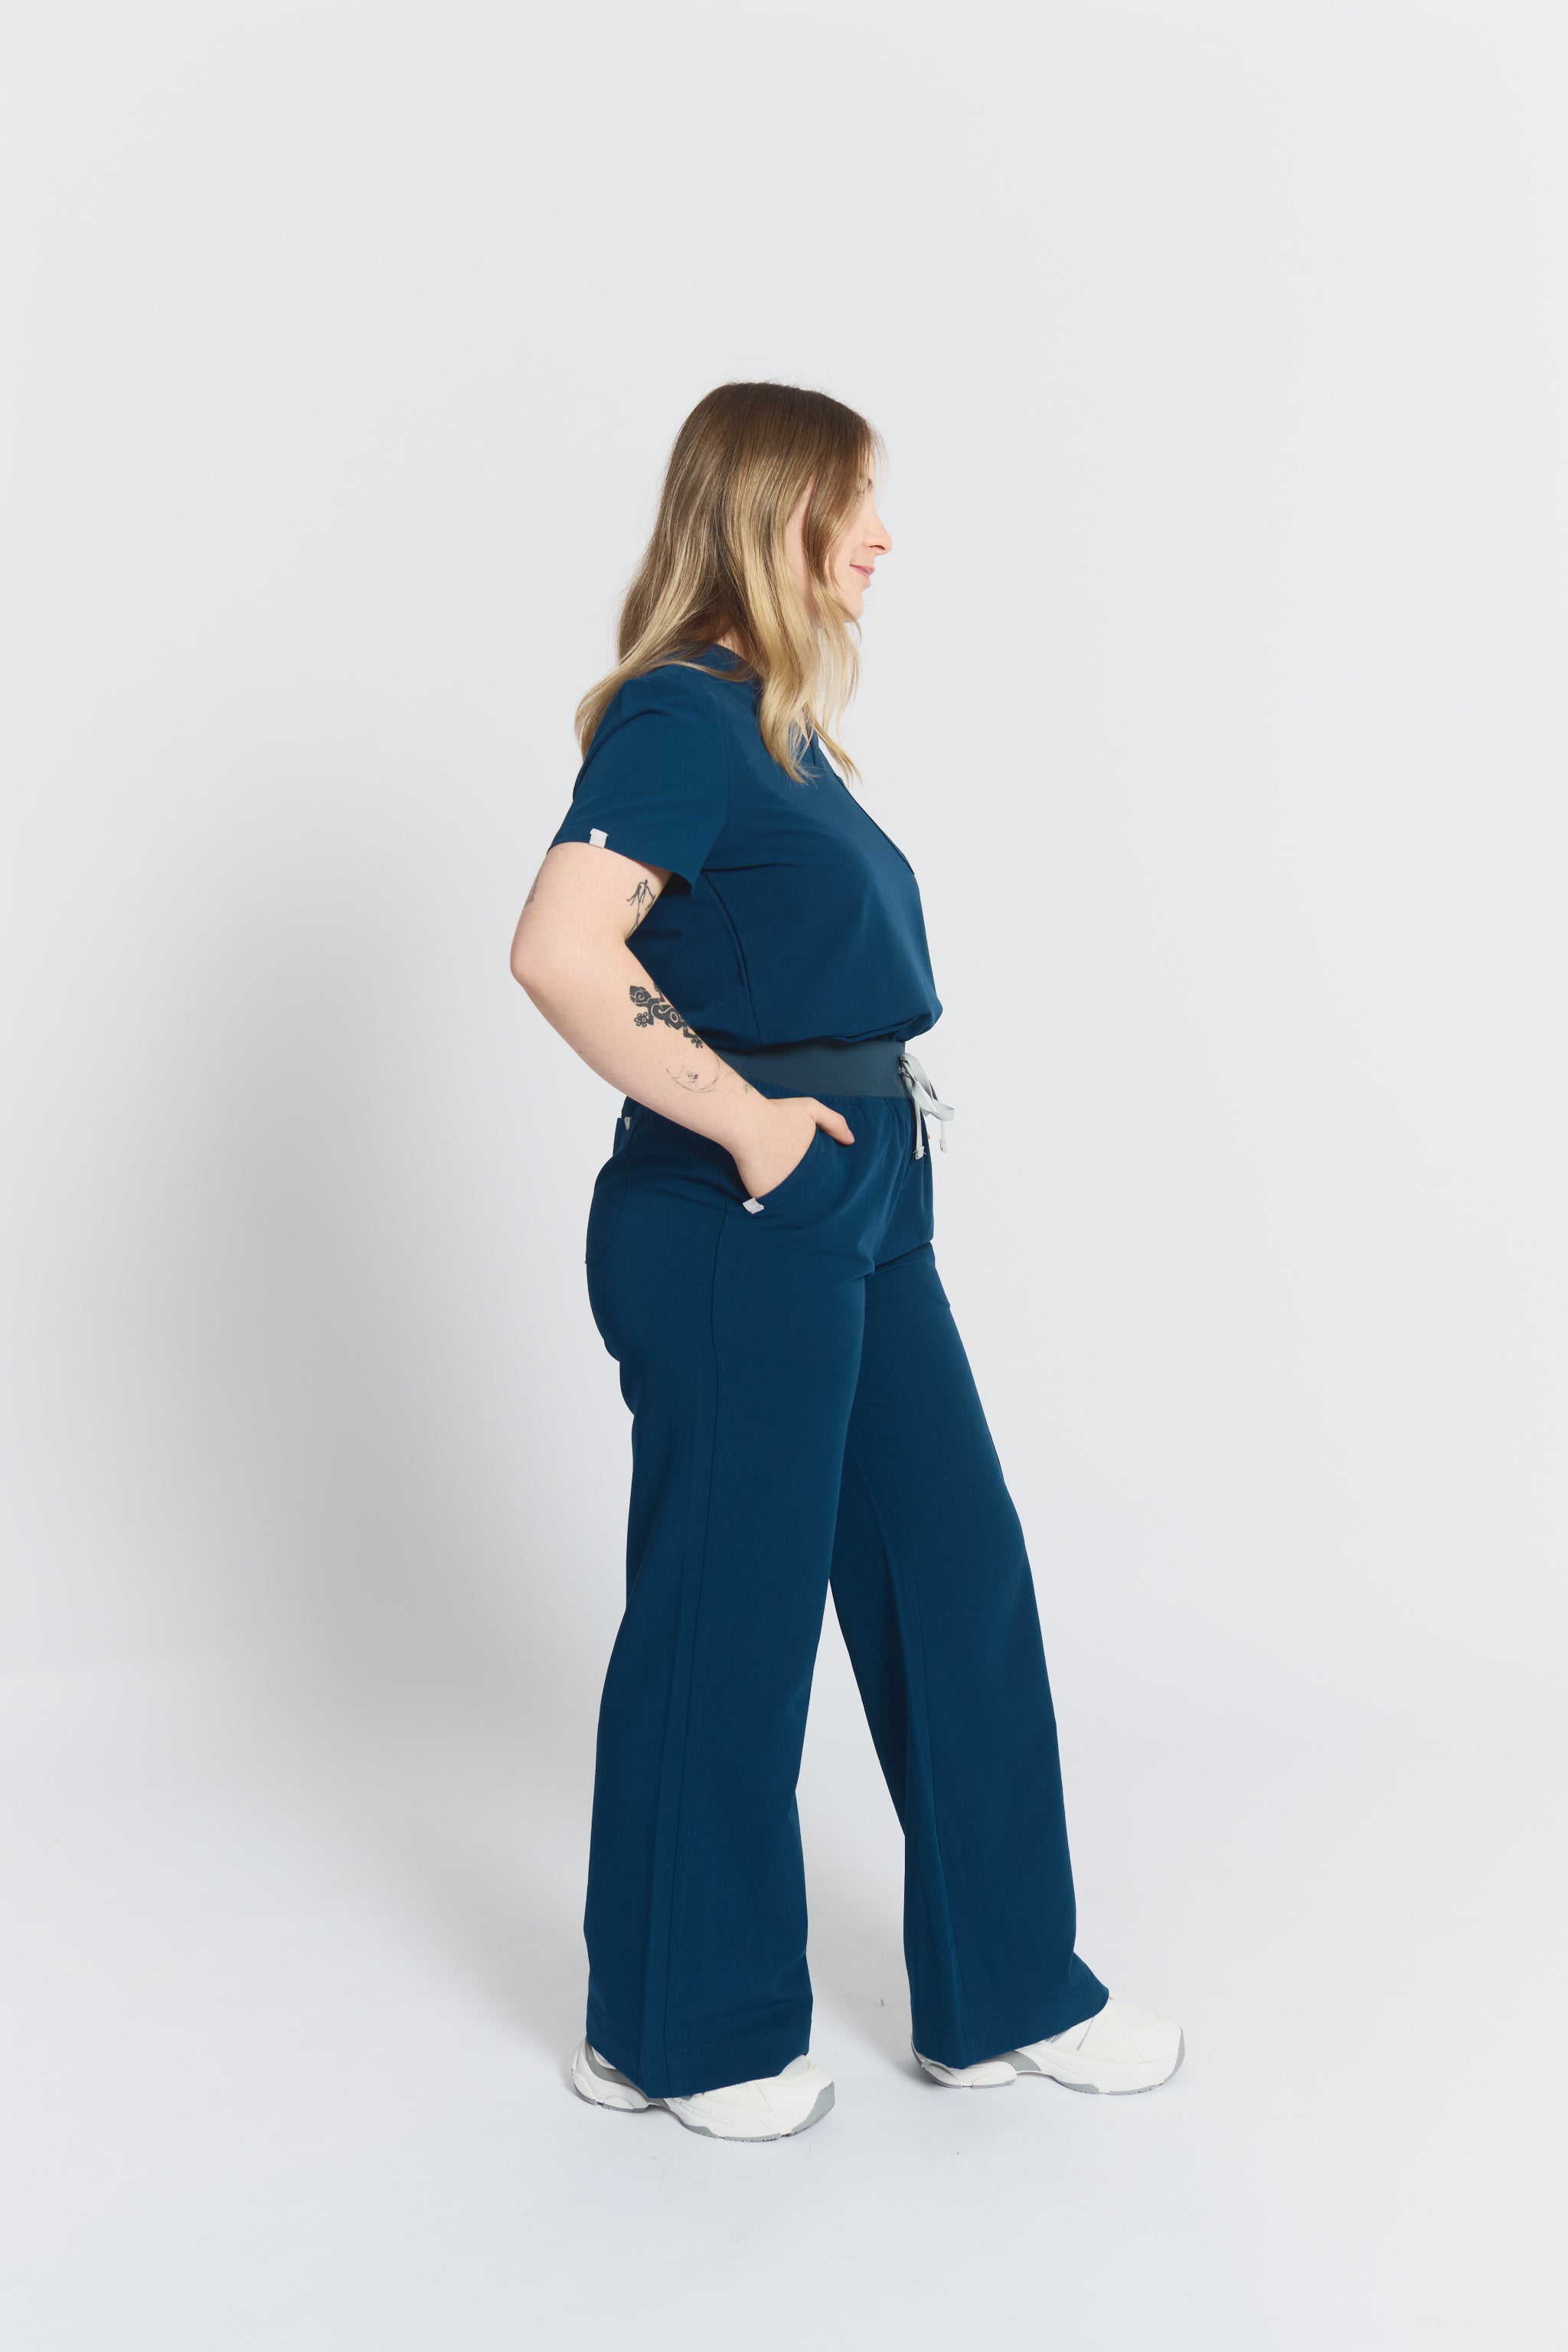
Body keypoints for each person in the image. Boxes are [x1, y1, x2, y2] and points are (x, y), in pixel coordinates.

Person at [510, 381, 1182, 2142]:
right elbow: (562, 950)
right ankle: (676, 2030)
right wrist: (748, 1128)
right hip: (744, 1212)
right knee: (729, 1619)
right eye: (857, 503)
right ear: (772, 514)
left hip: (861, 1202)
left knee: (954, 1576)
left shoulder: (778, 732)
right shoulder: (677, 718)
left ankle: (1004, 1991)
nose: (882, 536)